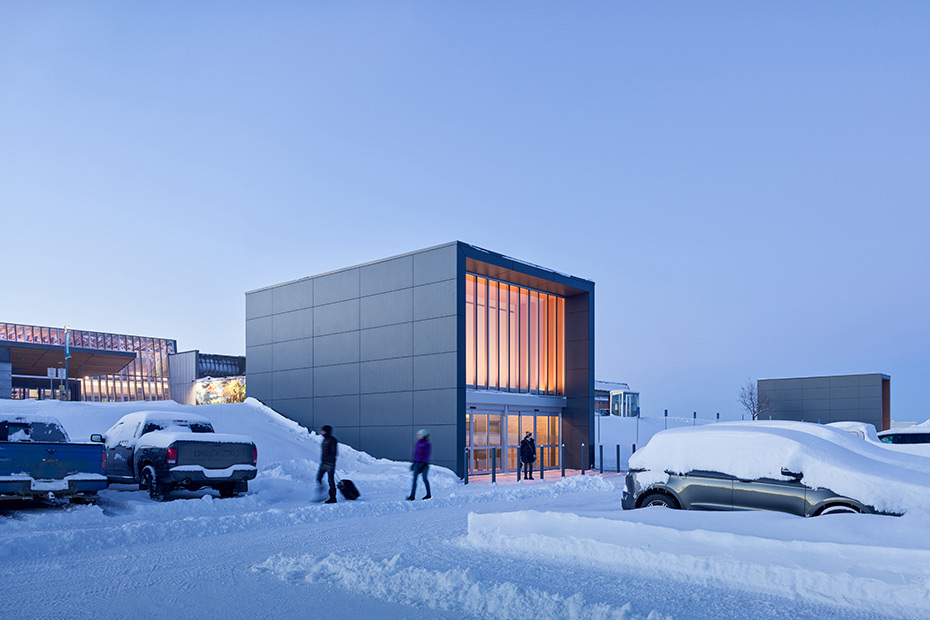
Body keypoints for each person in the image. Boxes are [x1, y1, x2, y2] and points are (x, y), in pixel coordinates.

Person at [407, 429, 431, 501]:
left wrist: (423, 463)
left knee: (424, 479)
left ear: (424, 436)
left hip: (424, 464)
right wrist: (414, 463)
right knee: (414, 479)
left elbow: (426, 455)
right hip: (417, 463)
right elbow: (415, 453)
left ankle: (428, 494)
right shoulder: (417, 443)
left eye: (420, 435)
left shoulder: (427, 444)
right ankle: (412, 496)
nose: (418, 436)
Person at [316, 425, 338, 504]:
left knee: (330, 480)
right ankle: (323, 494)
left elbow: (334, 453)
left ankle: (333, 497)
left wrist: (329, 461)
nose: (322, 433)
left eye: (323, 431)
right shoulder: (324, 440)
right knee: (318, 478)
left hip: (330, 464)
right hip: (324, 463)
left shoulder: (332, 440)